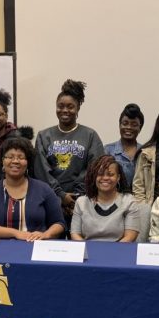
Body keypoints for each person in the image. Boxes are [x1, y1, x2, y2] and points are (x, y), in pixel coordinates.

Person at [34, 79, 105, 217]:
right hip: (50, 202)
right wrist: (60, 195)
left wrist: (76, 198)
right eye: (60, 106)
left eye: (70, 106)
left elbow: (95, 167)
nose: (65, 110)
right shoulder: (43, 136)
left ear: (78, 108)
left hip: (83, 203)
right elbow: (41, 170)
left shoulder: (90, 135)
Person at [0, 137, 66, 241]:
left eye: (21, 157)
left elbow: (59, 223)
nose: (15, 161)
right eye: (10, 157)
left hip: (35, 247)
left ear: (28, 163)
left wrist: (46, 234)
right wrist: (16, 233)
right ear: (2, 162)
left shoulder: (44, 189)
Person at [70, 155, 144, 242]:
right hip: (88, 252)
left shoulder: (129, 201)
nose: (105, 178)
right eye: (100, 174)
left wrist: (111, 252)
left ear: (118, 178)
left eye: (110, 174)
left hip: (119, 251)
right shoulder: (81, 202)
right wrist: (88, 251)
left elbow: (130, 236)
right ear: (94, 177)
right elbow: (75, 234)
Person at [104, 103, 145, 190]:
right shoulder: (108, 150)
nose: (129, 127)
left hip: (139, 200)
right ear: (119, 125)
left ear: (140, 128)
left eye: (134, 125)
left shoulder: (145, 152)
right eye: (125, 123)